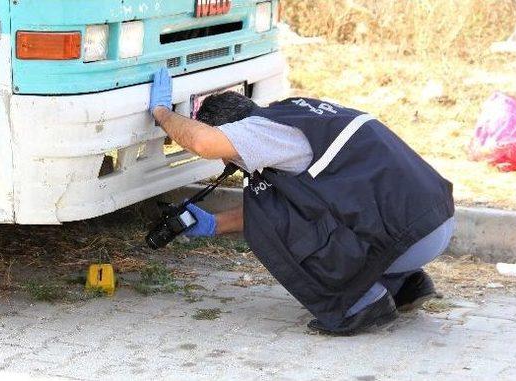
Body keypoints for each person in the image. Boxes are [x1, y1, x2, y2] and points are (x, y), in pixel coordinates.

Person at [149, 68, 455, 335]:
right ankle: (405, 285)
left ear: (232, 130)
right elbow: (297, 201)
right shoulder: (292, 114)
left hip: (407, 236)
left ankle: (361, 306)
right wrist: (215, 225)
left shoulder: (261, 131)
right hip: (431, 224)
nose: (227, 162)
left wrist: (162, 113)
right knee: (276, 200)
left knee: (269, 227)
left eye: (226, 154)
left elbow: (202, 142)